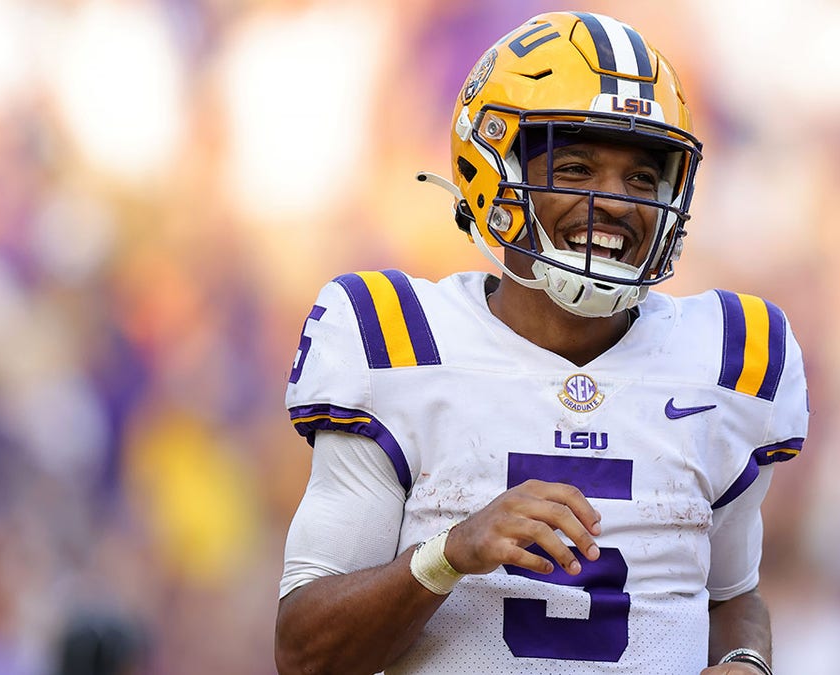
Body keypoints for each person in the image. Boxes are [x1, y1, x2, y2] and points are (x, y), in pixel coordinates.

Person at [274, 10, 808, 675]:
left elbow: (733, 595)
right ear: (493, 172)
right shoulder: (395, 340)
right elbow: (304, 653)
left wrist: (745, 660)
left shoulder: (727, 358)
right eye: (578, 167)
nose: (614, 201)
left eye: (642, 178)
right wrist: (450, 553)